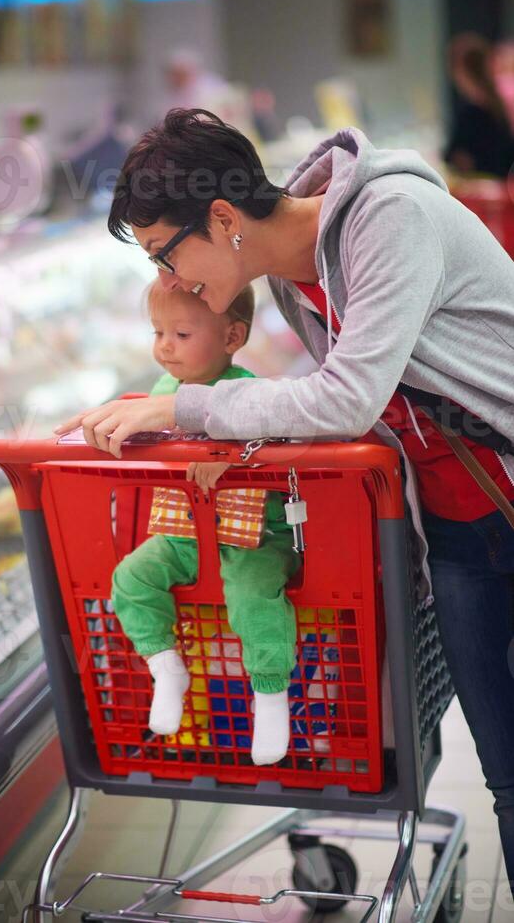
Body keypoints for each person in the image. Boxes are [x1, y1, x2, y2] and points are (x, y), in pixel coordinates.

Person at [55, 108, 514, 891]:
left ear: (224, 218)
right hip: (462, 531)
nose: (169, 282)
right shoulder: (298, 277)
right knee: (507, 773)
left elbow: (346, 399)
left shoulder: (389, 217)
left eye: (167, 252)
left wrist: (179, 410)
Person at [111, 279, 298, 765]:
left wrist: (233, 456)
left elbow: (282, 440)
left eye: (182, 335)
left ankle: (272, 697)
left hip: (253, 536)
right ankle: (165, 665)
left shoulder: (248, 390)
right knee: (130, 577)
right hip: (183, 531)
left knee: (253, 598)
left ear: (232, 338)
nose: (164, 347)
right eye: (158, 333)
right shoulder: (162, 390)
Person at [444, 32, 514, 178]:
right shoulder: (498, 102)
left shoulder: (472, 112)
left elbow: (455, 158)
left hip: (481, 190)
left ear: (459, 70)